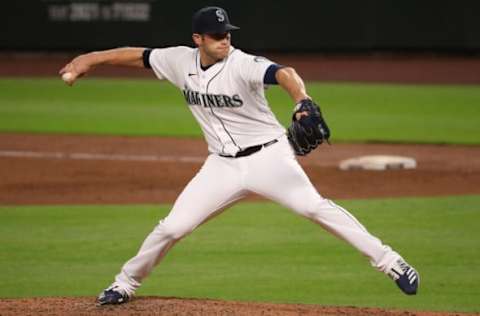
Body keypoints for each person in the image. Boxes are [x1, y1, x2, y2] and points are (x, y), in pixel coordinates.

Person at [60, 6, 419, 305]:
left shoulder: (242, 63)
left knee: (313, 207)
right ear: (198, 39)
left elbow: (285, 74)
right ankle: (124, 284)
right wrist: (91, 58)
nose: (225, 40)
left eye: (228, 33)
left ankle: (391, 262)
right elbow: (139, 55)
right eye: (217, 35)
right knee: (173, 226)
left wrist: (302, 102)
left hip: (269, 158)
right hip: (221, 165)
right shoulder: (178, 61)